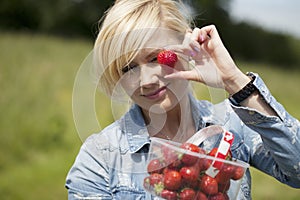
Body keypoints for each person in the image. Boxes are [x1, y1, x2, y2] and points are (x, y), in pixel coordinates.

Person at [65, 0, 300, 199]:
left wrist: (234, 81)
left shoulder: (233, 123)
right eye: (128, 68)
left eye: (157, 57)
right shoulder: (100, 157)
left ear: (188, 46)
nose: (146, 80)